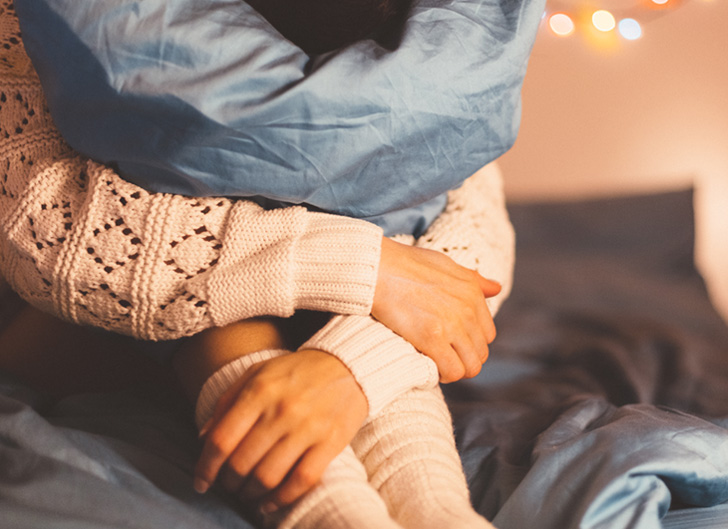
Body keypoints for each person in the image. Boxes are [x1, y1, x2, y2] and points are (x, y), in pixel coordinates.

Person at [0, 0, 539, 527]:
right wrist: (365, 266)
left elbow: (468, 223)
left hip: (315, 304)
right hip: (80, 318)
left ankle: (438, 511)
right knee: (251, 278)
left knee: (391, 225)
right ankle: (333, 513)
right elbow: (47, 226)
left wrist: (349, 370)